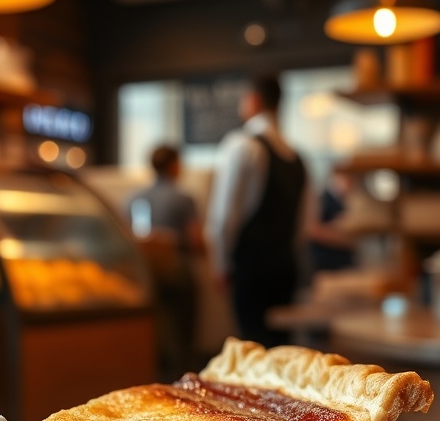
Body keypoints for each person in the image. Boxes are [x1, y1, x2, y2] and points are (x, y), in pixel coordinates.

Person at [206, 74, 307, 347]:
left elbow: (225, 216)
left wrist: (220, 264)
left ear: (252, 100)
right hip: (286, 266)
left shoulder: (242, 145)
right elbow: (301, 226)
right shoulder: (297, 158)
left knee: (253, 348)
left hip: (252, 267)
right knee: (283, 348)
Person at [126, 145, 203, 379]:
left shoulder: (134, 199)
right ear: (174, 165)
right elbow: (196, 241)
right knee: (182, 337)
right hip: (177, 273)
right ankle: (183, 384)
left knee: (154, 334)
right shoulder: (183, 198)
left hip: (146, 276)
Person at [306, 167, 356, 276]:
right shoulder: (322, 199)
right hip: (326, 262)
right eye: (346, 178)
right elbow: (312, 230)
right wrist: (339, 236)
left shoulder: (346, 201)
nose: (350, 183)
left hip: (344, 263)